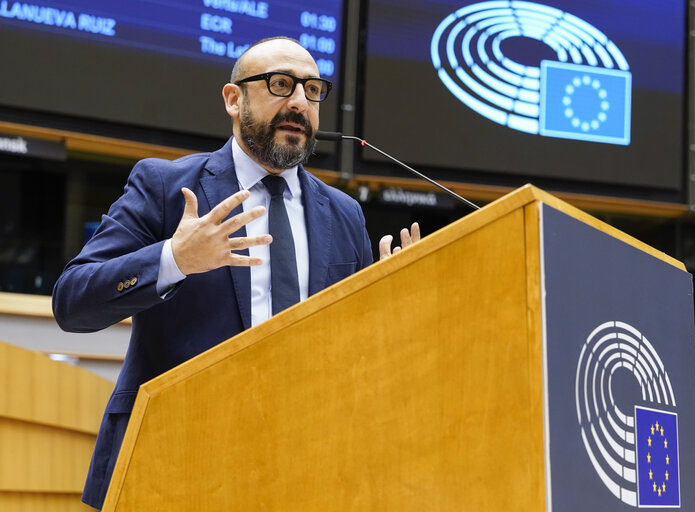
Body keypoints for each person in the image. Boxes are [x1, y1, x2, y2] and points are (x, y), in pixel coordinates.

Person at [52, 36, 419, 510]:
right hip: (176, 463)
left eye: (312, 91)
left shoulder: (344, 214)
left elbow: (354, 357)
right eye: (280, 84)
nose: (299, 103)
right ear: (233, 98)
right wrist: (173, 259)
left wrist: (393, 305)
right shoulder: (167, 187)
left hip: (307, 469)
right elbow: (72, 301)